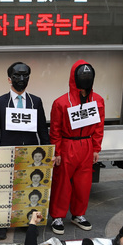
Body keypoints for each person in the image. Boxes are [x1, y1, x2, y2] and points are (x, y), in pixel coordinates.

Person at [0, 62, 50, 239]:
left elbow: (42, 129)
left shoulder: (35, 101)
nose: (21, 80)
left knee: (27, 188)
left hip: (31, 153)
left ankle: (26, 220)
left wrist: (48, 152)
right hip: (6, 152)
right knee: (4, 190)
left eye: (25, 76)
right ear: (9, 79)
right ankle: (2, 223)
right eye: (17, 76)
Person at [49, 61, 105, 235]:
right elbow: (55, 129)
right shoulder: (61, 103)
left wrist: (96, 148)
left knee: (84, 183)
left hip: (87, 144)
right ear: (74, 78)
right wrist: (57, 151)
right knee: (62, 182)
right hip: (67, 144)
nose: (86, 79)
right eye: (82, 76)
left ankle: (78, 214)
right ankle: (57, 216)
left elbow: (99, 126)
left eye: (89, 76)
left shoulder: (98, 100)